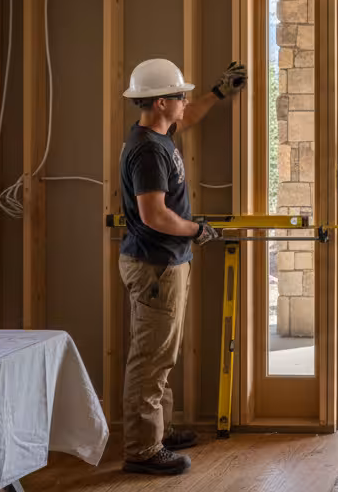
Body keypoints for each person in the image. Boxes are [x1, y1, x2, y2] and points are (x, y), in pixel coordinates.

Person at [117, 58, 246, 476]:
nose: (183, 100)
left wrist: (219, 92)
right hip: (156, 264)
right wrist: (196, 229)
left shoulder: (157, 133)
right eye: (177, 95)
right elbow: (154, 215)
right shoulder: (149, 151)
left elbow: (188, 117)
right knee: (151, 358)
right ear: (158, 103)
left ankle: (160, 430)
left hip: (165, 262)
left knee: (162, 354)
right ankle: (142, 448)